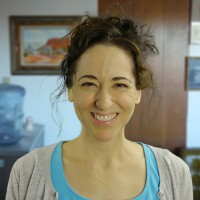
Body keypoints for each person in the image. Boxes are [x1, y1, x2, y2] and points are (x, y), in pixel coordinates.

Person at [6, 16, 193, 200]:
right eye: (89, 84)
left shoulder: (174, 172)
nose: (103, 102)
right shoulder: (27, 171)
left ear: (138, 92)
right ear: (71, 90)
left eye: (119, 85)